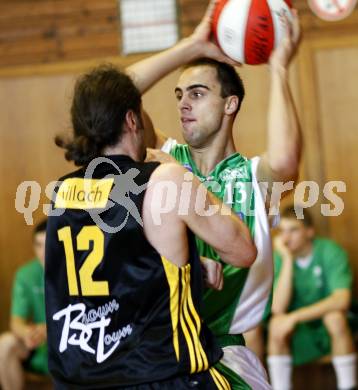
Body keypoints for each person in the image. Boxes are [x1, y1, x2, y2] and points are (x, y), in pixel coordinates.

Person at [44, 55, 259, 388]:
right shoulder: (165, 177)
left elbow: (115, 267)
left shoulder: (62, 191)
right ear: (132, 121)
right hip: (160, 373)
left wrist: (191, 265)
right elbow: (243, 250)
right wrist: (184, 173)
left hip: (82, 376)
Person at [125, 2, 302, 388]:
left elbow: (287, 158)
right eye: (179, 94)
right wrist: (190, 47)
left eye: (198, 93)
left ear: (230, 104)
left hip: (224, 355)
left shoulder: (257, 178)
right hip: (160, 349)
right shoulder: (161, 158)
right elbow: (117, 96)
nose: (183, 103)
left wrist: (279, 68)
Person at [267, 206, 356, 390]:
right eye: (282, 231)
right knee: (276, 324)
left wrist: (295, 317)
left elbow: (341, 300)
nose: (286, 238)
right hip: (299, 332)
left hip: (326, 326)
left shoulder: (330, 251)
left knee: (335, 318)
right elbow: (277, 308)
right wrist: (288, 261)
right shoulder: (279, 258)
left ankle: (348, 386)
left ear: (309, 231)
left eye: (293, 230)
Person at [0, 220, 48, 390]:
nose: (44, 252)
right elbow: (16, 322)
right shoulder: (26, 274)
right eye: (39, 245)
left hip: (71, 342)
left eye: (49, 244)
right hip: (38, 347)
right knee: (5, 343)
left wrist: (48, 329)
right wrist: (28, 333)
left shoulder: (76, 272)